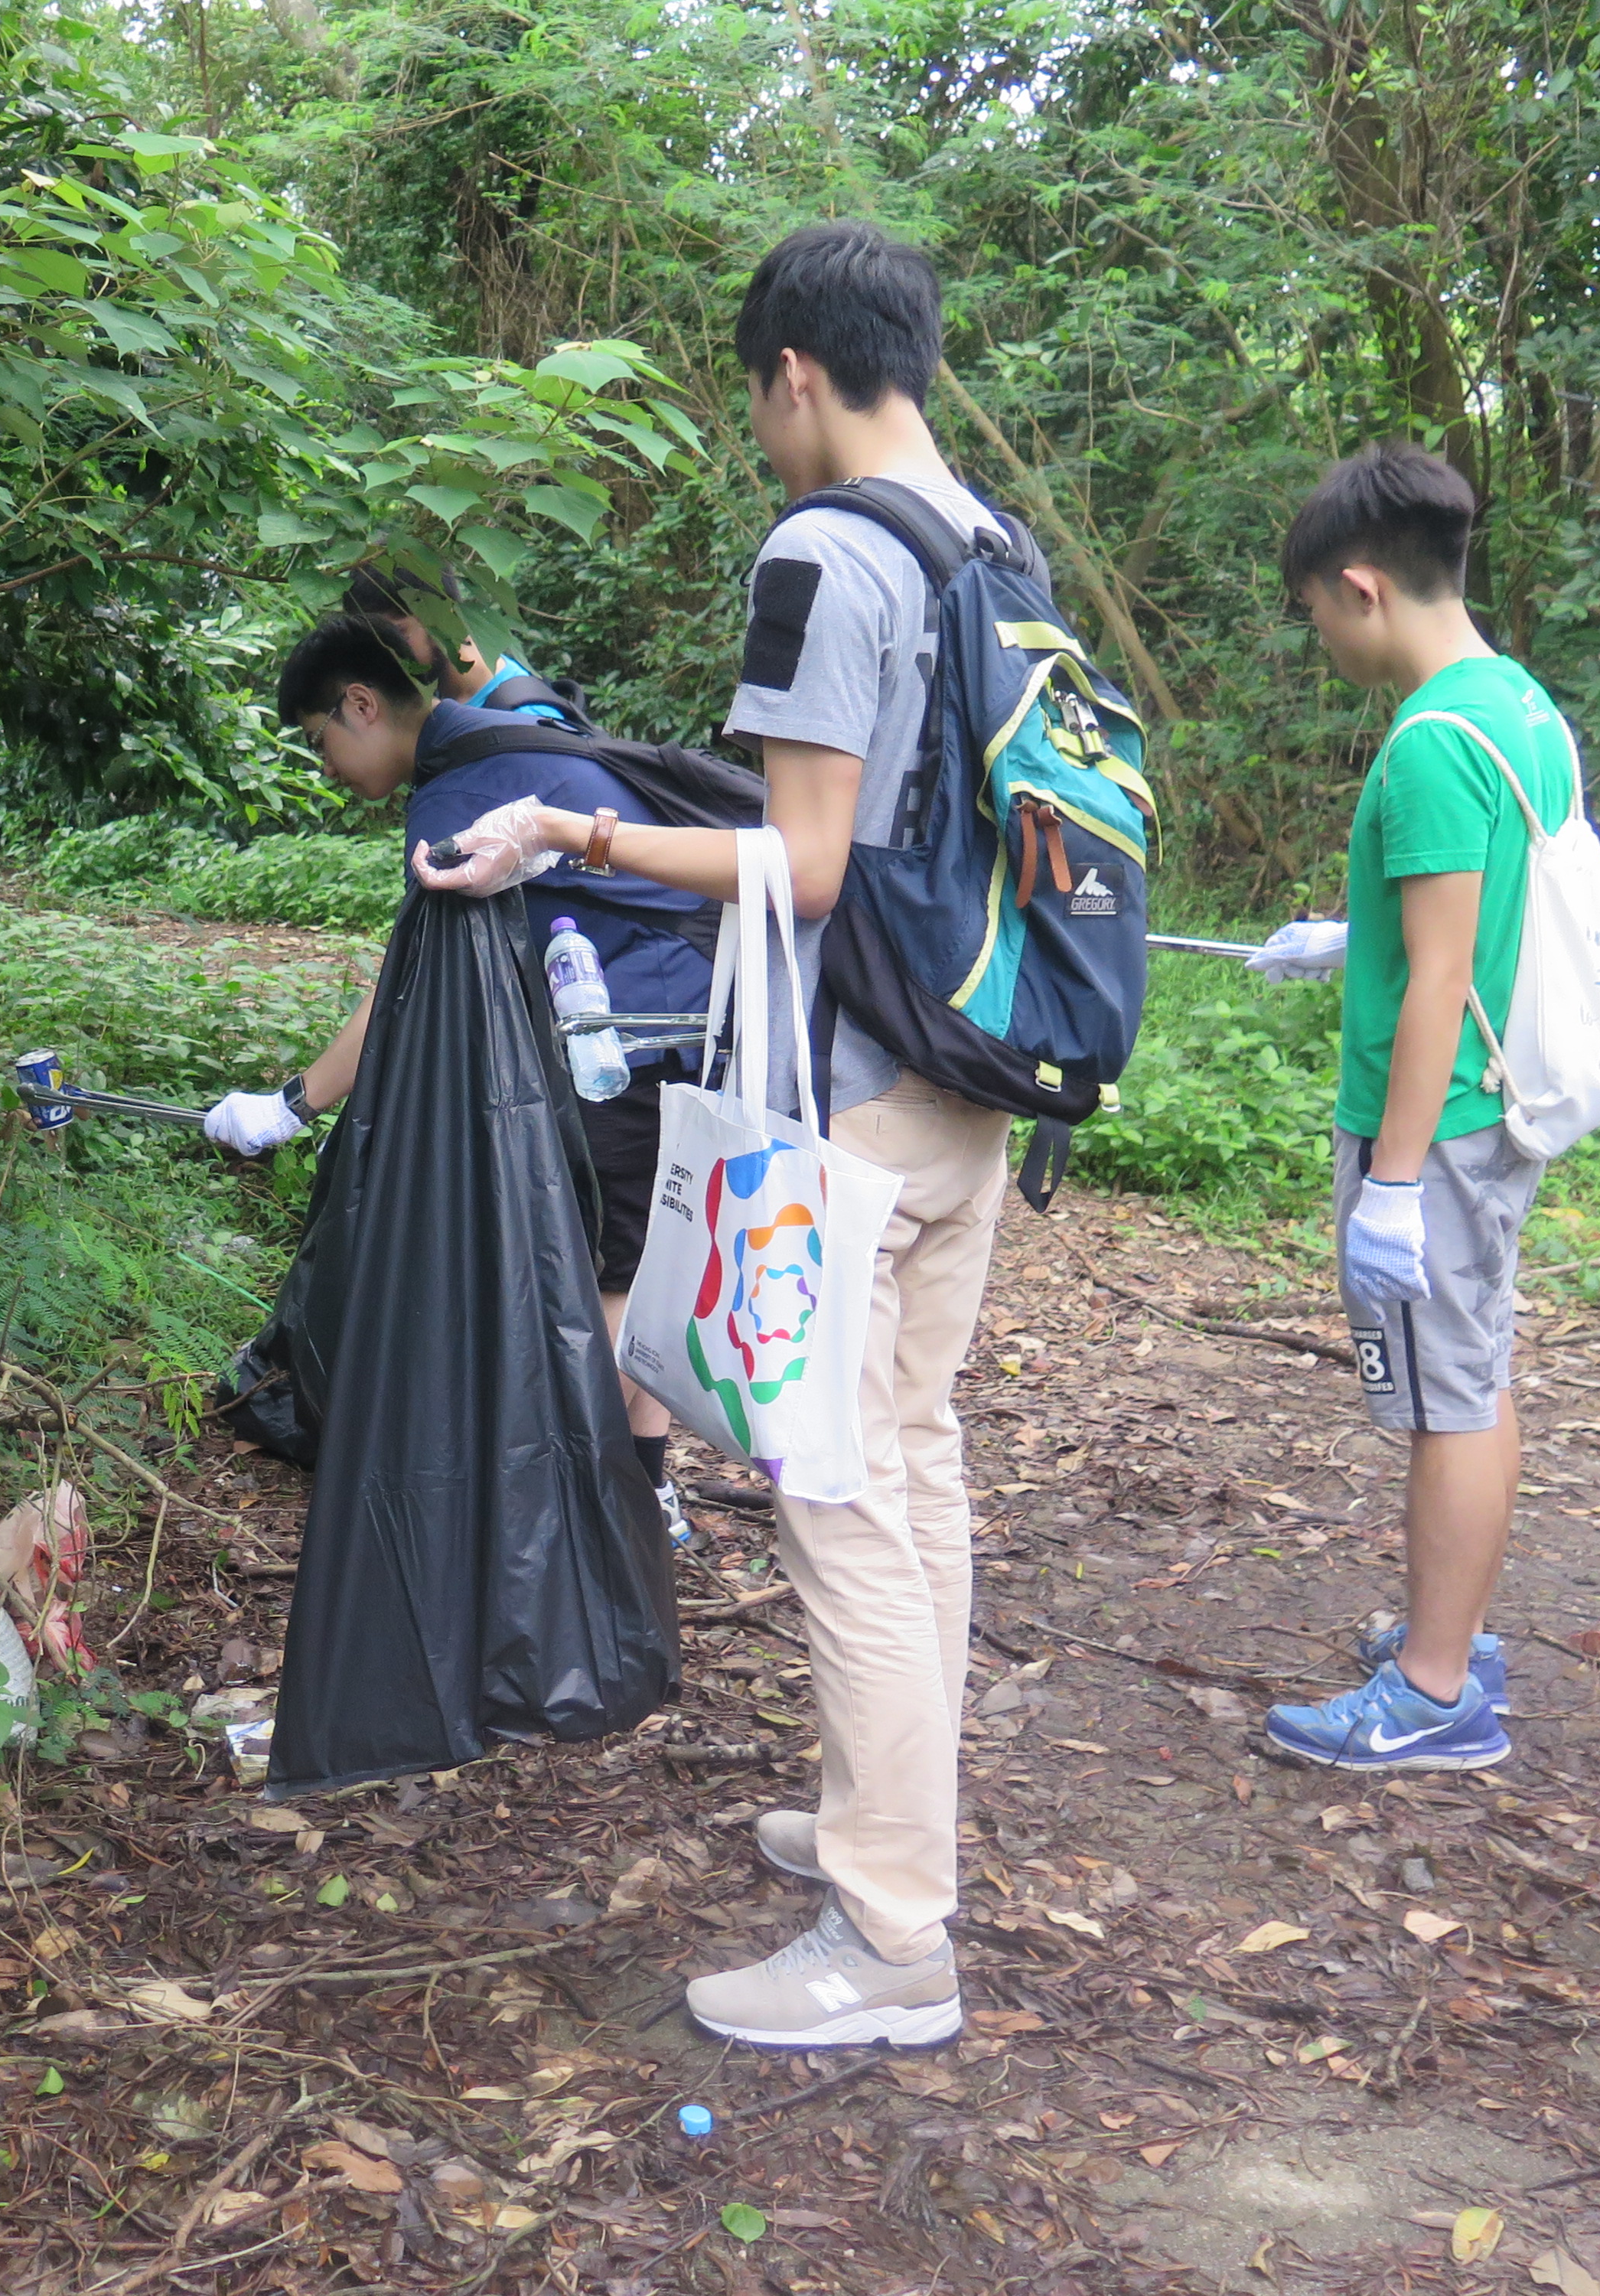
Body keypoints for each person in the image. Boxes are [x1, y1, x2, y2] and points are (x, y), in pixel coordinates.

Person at [411, 220, 1017, 2052]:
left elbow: (805, 863)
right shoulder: (993, 542)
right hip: (973, 1063)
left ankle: (891, 1935)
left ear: (794, 378)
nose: (764, 433)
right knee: (908, 1450)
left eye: (759, 401)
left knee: (828, 1479)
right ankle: (886, 1821)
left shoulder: (829, 550)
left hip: (852, 1086)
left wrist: (572, 838)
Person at [199, 613, 712, 1535]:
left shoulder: (460, 786)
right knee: (630, 1267)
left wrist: (289, 1103)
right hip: (682, 1026)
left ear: (361, 705)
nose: (326, 770)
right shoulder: (512, 724)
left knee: (598, 1280)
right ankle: (640, 1492)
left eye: (321, 744)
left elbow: (408, 983)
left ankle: (602, 1514)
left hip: (617, 1043)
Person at [1247, 442, 1573, 1773]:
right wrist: (1353, 934)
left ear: (1364, 587)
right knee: (1472, 1374)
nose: (1320, 635)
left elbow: (1443, 978)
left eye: (1317, 609)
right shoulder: (1519, 704)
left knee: (1452, 1399)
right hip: (1486, 1110)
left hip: (1431, 1129)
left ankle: (1438, 1695)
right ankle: (1454, 1636)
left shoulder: (1432, 741)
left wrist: (1388, 1180)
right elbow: (1476, 922)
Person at [344, 562, 586, 726]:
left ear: (446, 618)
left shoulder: (527, 720)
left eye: (396, 636)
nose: (385, 657)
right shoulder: (434, 692)